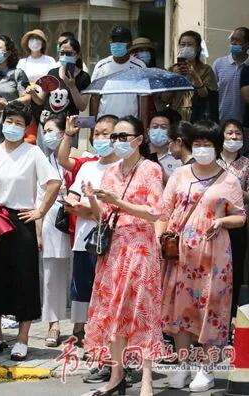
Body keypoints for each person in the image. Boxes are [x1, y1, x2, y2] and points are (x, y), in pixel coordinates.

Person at [159, 120, 245, 392]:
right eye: (197, 144)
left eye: (207, 144)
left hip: (214, 256)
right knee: (180, 309)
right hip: (181, 254)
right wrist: (160, 239)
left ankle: (206, 369)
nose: (202, 149)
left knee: (212, 309)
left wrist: (222, 222)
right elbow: (164, 209)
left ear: (217, 148)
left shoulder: (228, 179)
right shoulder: (180, 175)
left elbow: (241, 216)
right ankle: (183, 365)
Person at [82, 116, 164, 396]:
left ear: (139, 140)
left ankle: (147, 379)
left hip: (140, 247)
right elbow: (102, 216)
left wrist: (118, 202)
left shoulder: (151, 169)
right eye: (114, 136)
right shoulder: (110, 172)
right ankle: (117, 376)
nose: (117, 141)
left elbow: (155, 212)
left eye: (123, 136)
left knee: (142, 310)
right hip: (114, 249)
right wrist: (93, 199)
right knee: (113, 311)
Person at [0, 102, 61, 361]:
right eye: (9, 121)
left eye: (19, 123)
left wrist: (40, 211)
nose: (12, 127)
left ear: (26, 128)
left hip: (21, 218)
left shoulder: (33, 152)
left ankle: (23, 338)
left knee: (24, 278)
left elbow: (54, 182)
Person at [64, 114, 119, 351]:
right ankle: (85, 335)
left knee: (107, 292)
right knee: (83, 289)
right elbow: (73, 195)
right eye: (96, 133)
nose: (100, 138)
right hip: (83, 240)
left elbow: (115, 209)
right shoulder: (87, 166)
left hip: (111, 242)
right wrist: (71, 202)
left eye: (105, 133)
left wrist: (89, 210)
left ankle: (107, 339)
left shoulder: (122, 169)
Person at [35, 113, 71, 347]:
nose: (48, 135)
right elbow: (37, 200)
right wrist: (38, 231)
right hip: (49, 221)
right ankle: (53, 323)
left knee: (76, 276)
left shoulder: (77, 159)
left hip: (76, 221)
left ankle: (82, 324)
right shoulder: (41, 161)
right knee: (51, 276)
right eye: (45, 131)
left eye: (52, 131)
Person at [217, 119, 249, 321]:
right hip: (214, 222)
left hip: (237, 223)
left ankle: (231, 319)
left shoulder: (246, 164)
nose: (233, 137)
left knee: (235, 269)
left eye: (238, 134)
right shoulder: (213, 161)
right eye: (229, 133)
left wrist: (236, 191)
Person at [90, 26, 147, 121]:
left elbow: (144, 100)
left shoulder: (139, 67)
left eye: (121, 41)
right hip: (105, 124)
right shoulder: (101, 66)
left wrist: (144, 129)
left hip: (130, 124)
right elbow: (94, 99)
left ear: (130, 44)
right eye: (114, 41)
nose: (116, 44)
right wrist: (92, 129)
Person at [163, 31, 218, 122]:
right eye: (183, 44)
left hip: (199, 115)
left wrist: (195, 76)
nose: (186, 48)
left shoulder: (205, 69)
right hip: (176, 116)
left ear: (197, 48)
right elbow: (165, 98)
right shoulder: (172, 70)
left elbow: (205, 95)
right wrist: (174, 79)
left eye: (190, 45)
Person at [31, 37, 90, 121]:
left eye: (69, 53)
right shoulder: (52, 73)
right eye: (62, 53)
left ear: (77, 55)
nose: (64, 56)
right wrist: (32, 93)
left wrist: (72, 86)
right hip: (47, 124)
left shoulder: (84, 77)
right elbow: (40, 100)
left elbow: (82, 107)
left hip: (68, 127)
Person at [213, 27, 249, 134]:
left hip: (245, 124)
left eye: (237, 40)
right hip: (221, 122)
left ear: (247, 44)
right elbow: (213, 92)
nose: (233, 43)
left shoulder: (248, 66)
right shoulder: (219, 64)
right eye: (232, 39)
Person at [148, 111, 181, 181]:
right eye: (155, 127)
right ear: (148, 131)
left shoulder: (177, 157)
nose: (159, 130)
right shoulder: (139, 154)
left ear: (170, 132)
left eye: (163, 127)